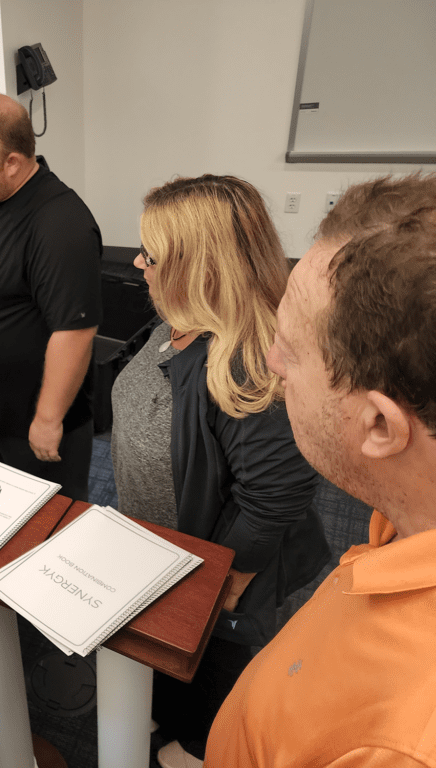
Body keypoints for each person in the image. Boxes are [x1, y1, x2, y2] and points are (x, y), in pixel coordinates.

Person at [205, 174, 436, 767]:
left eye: (289, 347)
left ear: (380, 426)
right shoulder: (403, 522)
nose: (272, 363)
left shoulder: (403, 742)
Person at [111, 175, 330, 767]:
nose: (137, 263)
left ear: (198, 270)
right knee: (166, 661)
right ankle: (174, 709)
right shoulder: (178, 324)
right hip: (162, 544)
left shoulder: (250, 368)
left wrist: (220, 583)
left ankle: (198, 744)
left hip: (215, 569)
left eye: (151, 255)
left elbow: (274, 502)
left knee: (213, 668)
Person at [0, 92, 102, 502]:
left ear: (12, 163)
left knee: (48, 527)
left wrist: (48, 419)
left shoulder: (61, 224)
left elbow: (76, 331)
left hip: (35, 419)